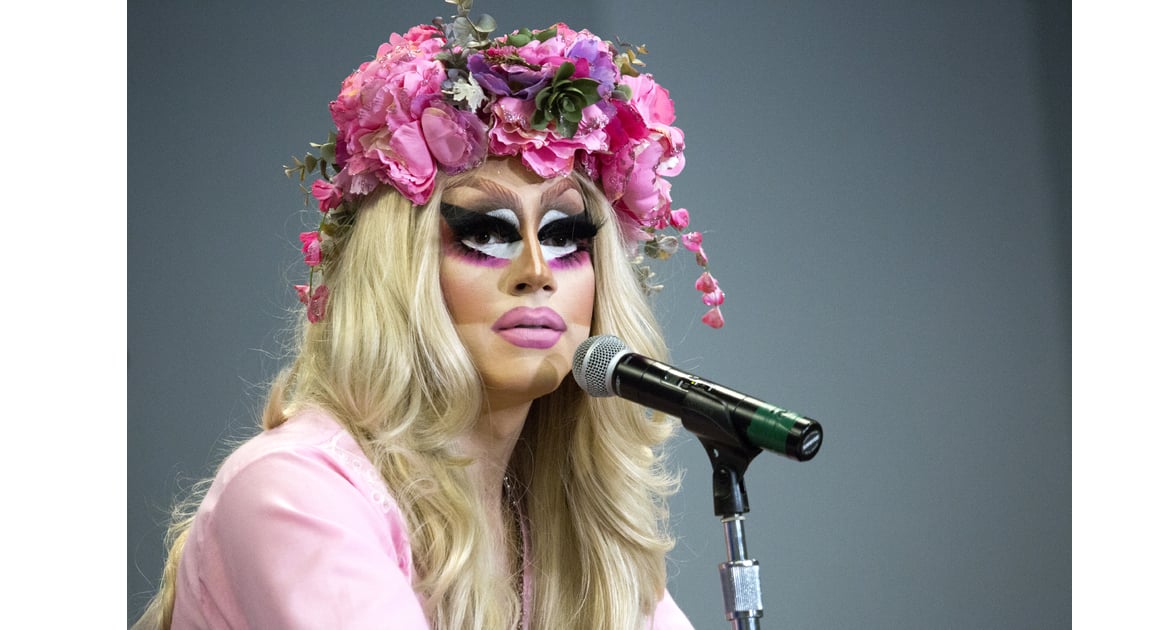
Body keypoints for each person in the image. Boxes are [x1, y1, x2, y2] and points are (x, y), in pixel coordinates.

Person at [134, 1, 727, 628]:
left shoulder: (570, 532)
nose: (537, 269)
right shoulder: (295, 491)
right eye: (487, 233)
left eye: (565, 235)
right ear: (401, 271)